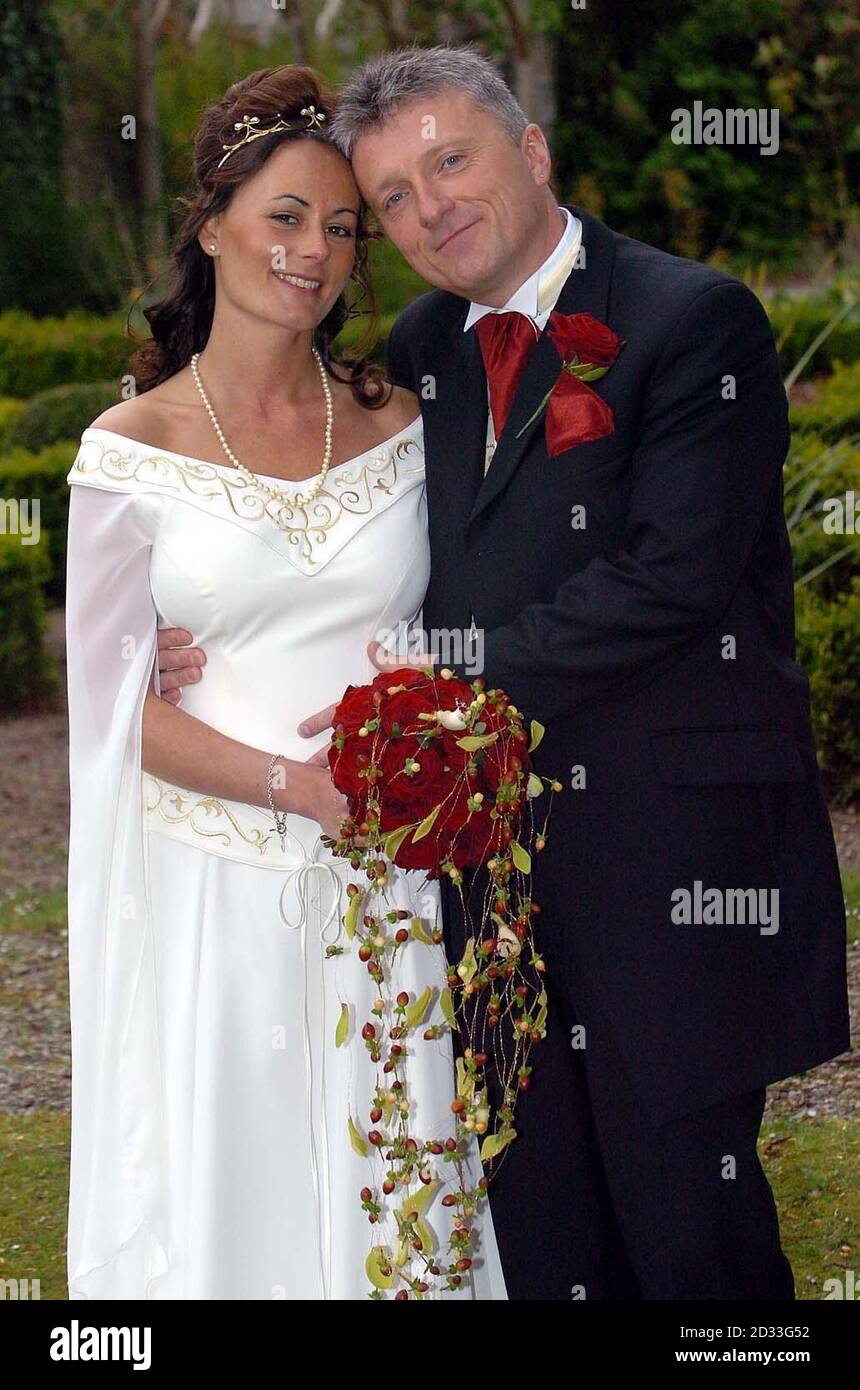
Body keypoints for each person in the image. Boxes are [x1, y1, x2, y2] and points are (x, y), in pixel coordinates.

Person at [159, 43, 851, 1300]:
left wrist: (424, 696)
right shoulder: (412, 357)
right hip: (480, 886)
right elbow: (321, 534)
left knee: (694, 1244)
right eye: (396, 200)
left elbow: (667, 582)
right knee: (537, 1241)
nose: (432, 208)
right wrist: (177, 625)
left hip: (668, 868)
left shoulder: (695, 321)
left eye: (450, 161)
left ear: (528, 152)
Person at [64, 63, 507, 1301]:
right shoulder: (128, 450)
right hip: (216, 889)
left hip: (386, 884)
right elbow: (112, 714)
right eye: (285, 217)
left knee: (399, 1193)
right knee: (240, 1208)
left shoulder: (402, 425)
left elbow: (464, 622)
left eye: (342, 227)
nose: (316, 251)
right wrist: (292, 784)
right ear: (212, 228)